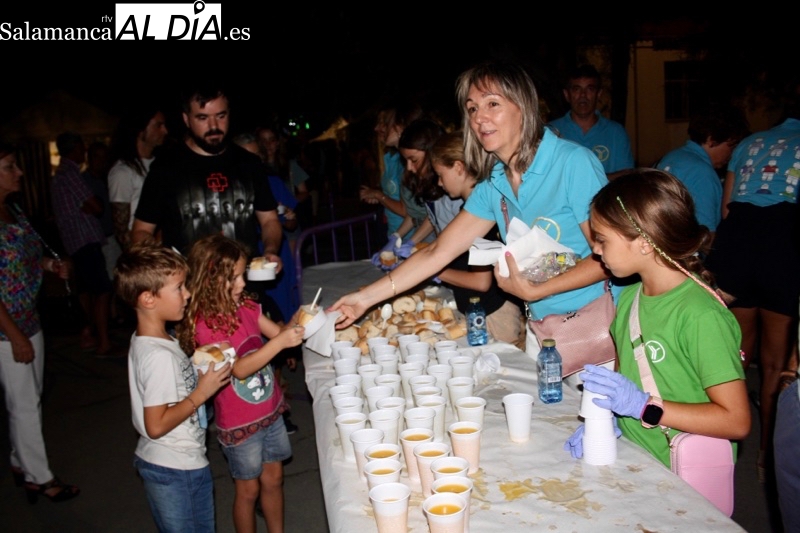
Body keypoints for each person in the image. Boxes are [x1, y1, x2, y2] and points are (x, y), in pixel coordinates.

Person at [332, 61, 608, 359]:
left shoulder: (572, 163)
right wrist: (363, 298)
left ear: (524, 108)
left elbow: (606, 257)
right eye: (473, 108)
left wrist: (536, 290)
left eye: (493, 104)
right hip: (541, 327)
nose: (480, 118)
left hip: (592, 323)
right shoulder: (494, 183)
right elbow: (436, 252)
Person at [564, 169, 750, 468]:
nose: (595, 251)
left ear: (644, 242)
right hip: (635, 458)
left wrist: (644, 407)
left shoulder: (700, 315)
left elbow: (736, 421)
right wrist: (604, 421)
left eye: (601, 240)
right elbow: (628, 377)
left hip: (682, 470)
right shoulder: (630, 298)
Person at [705, 79, 800, 482]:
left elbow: (728, 207)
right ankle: (767, 458)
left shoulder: (749, 144)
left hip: (740, 237)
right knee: (777, 362)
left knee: (739, 354)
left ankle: (729, 447)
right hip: (783, 237)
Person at [177, 234, 304, 533]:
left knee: (274, 479)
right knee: (247, 492)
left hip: (270, 411)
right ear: (210, 279)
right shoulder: (205, 326)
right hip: (239, 424)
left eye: (242, 275)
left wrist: (300, 319)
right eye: (233, 278)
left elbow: (278, 333)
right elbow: (238, 369)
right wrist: (281, 343)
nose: (242, 283)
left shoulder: (247, 307)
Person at [115, 242, 231, 532]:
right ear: (148, 299)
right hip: (177, 468)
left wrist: (197, 362)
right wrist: (202, 393)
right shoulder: (158, 357)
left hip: (168, 462)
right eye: (179, 288)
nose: (187, 294)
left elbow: (169, 383)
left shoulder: (154, 340)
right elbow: (155, 424)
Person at [0, 141, 80, 504]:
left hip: (29, 319)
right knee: (24, 404)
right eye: (9, 166)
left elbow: (26, 259)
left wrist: (51, 266)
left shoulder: (11, 210)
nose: (19, 173)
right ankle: (40, 477)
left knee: (30, 397)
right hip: (6, 329)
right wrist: (15, 335)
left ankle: (20, 461)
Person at [130, 85, 283, 273]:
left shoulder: (249, 163)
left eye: (221, 116)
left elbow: (269, 220)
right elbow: (141, 230)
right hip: (189, 290)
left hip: (244, 284)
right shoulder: (166, 168)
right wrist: (161, 268)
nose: (214, 127)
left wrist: (270, 250)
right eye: (202, 118)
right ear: (186, 119)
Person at [232, 132, 300, 434]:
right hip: (236, 277)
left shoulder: (267, 181)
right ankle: (248, 409)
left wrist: (286, 223)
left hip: (266, 272)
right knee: (244, 341)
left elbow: (288, 221)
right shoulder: (226, 187)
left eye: (255, 155)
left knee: (273, 323)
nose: (250, 163)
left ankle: (276, 407)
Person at [429, 130, 524, 345]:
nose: (439, 183)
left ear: (459, 167)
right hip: (482, 312)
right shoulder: (472, 208)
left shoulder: (483, 215)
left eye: (440, 175)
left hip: (494, 317)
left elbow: (481, 282)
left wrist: (437, 271)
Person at [50, 131, 113, 355]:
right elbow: (95, 206)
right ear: (75, 148)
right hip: (84, 240)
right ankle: (104, 343)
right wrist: (91, 207)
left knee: (86, 291)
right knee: (103, 290)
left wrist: (87, 207)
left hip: (72, 243)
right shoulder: (71, 173)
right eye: (82, 147)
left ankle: (90, 334)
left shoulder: (58, 176)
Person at [656, 106, 749, 232]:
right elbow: (704, 234)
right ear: (712, 140)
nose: (731, 154)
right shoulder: (702, 173)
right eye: (731, 146)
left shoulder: (672, 157)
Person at [548, 64, 634, 179]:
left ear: (598, 94)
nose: (583, 95)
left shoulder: (615, 133)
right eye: (576, 89)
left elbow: (626, 176)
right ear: (567, 95)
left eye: (590, 89)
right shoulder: (550, 132)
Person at [359, 101, 423, 240]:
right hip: (401, 236)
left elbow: (412, 212)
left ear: (400, 126)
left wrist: (378, 195)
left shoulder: (412, 163)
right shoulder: (392, 158)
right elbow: (415, 212)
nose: (377, 128)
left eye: (384, 122)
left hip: (416, 240)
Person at [108, 103, 168, 249]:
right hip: (144, 253)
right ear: (141, 129)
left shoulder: (161, 165)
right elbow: (121, 229)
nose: (165, 131)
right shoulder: (123, 172)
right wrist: (143, 260)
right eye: (158, 125)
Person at [255, 125, 310, 256]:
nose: (268, 144)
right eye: (263, 140)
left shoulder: (289, 166)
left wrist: (288, 205)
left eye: (271, 140)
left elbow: (304, 191)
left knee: (291, 264)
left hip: (287, 220)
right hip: (263, 221)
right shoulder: (255, 167)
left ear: (278, 143)